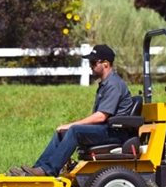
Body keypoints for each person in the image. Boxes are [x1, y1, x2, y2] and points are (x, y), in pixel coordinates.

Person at [10, 44, 133, 177]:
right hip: (106, 129)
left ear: (106, 64)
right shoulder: (106, 84)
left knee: (74, 130)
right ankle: (37, 169)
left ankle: (49, 170)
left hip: (114, 133)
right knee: (61, 132)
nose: (90, 66)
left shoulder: (114, 84)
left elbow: (101, 117)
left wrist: (72, 125)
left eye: (93, 62)